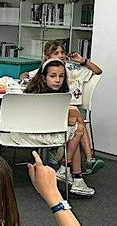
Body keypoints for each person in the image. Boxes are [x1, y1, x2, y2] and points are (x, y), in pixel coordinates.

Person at [19, 58, 96, 197]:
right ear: (44, 78)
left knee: (76, 126)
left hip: (42, 132)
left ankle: (72, 174)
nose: (58, 80)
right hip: (37, 135)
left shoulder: (50, 92)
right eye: (53, 76)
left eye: (61, 76)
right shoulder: (41, 95)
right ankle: (69, 169)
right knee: (77, 129)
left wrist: (69, 117)